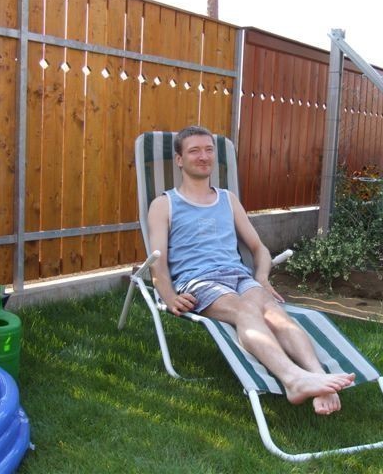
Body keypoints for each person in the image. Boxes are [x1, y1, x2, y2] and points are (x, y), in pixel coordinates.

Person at [147, 125, 355, 415]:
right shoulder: (164, 204)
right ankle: (293, 380)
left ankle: (317, 377)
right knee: (245, 311)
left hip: (239, 276)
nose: (204, 156)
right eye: (194, 151)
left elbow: (259, 248)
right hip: (199, 281)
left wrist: (261, 278)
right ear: (180, 160)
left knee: (274, 312)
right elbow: (157, 260)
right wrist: (169, 296)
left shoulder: (228, 199)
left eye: (208, 150)